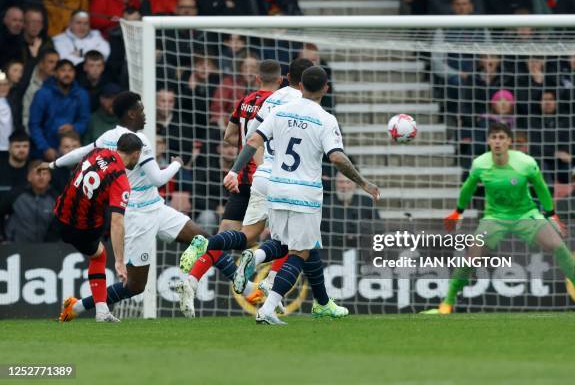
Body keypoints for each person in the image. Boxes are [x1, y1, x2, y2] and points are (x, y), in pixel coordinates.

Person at [44, 91, 252, 321]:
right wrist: (176, 164)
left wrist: (54, 164)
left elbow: (83, 151)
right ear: (132, 113)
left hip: (156, 207)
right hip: (136, 216)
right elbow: (157, 179)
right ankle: (78, 306)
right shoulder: (139, 141)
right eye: (141, 110)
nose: (145, 115)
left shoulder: (108, 136)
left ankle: (246, 286)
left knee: (202, 238)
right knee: (135, 286)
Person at [224, 66, 380, 324]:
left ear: (299, 86)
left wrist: (234, 170)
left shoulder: (280, 111)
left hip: (275, 187)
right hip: (304, 194)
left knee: (282, 243)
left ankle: (257, 256)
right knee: (301, 252)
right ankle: (267, 308)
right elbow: (337, 158)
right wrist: (363, 182)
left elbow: (252, 141)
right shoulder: (325, 119)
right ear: (325, 89)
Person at [424, 122, 575, 314]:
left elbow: (541, 188)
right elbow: (468, 188)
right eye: (494, 138)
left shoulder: (525, 163)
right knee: (470, 259)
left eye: (501, 137)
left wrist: (551, 215)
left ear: (509, 141)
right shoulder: (480, 164)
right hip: (494, 218)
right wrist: (458, 212)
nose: (497, 142)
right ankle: (446, 305)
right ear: (488, 141)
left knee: (558, 246)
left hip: (525, 214)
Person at [176, 59, 289, 317]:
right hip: (269, 178)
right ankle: (272, 288)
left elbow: (229, 136)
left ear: (257, 78)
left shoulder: (245, 101)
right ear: (281, 80)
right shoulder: (281, 104)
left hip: (242, 180)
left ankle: (191, 280)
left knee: (227, 236)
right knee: (290, 238)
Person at [54, 133, 142, 322]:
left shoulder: (98, 152)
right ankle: (101, 312)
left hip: (60, 214)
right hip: (82, 227)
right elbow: (117, 222)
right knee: (100, 255)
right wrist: (120, 261)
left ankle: (96, 309)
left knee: (97, 250)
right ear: (135, 154)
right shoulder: (121, 180)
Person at [28, 59, 90, 161]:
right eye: (63, 70)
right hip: (45, 150)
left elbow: (85, 120)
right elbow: (34, 124)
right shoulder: (42, 94)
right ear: (55, 73)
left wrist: (74, 127)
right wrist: (45, 148)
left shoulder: (81, 94)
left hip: (72, 149)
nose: (67, 74)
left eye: (70, 70)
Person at [0, 159, 57, 243]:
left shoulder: (56, 198)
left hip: (46, 250)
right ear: (29, 177)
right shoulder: (15, 195)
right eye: (37, 173)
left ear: (50, 177)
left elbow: (58, 226)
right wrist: (2, 237)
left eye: (44, 173)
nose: (41, 177)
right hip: (14, 248)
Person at [21, 48, 59, 127]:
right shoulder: (26, 80)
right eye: (51, 62)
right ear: (41, 64)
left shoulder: (60, 83)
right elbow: (25, 116)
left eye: (57, 63)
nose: (55, 66)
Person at [0, 129, 30, 204]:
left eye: (25, 146)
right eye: (17, 146)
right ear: (9, 148)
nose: (22, 150)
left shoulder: (32, 171)